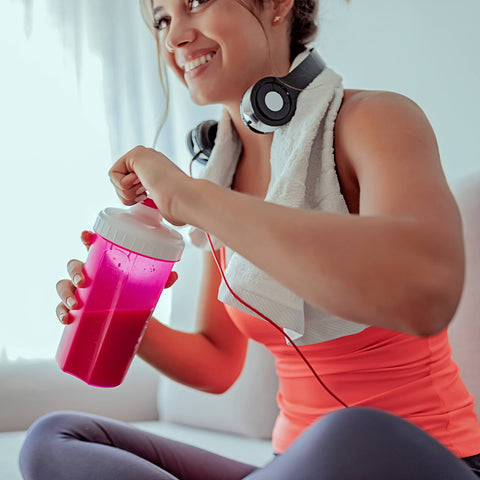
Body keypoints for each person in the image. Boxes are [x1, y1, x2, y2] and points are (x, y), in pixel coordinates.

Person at [19, 0, 480, 478]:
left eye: (195, 3)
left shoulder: (373, 119)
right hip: (291, 467)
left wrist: (191, 197)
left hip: (409, 458)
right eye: (162, 20)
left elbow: (427, 291)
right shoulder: (222, 178)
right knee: (53, 439)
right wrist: (114, 313)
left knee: (349, 430)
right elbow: (217, 364)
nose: (174, 37)